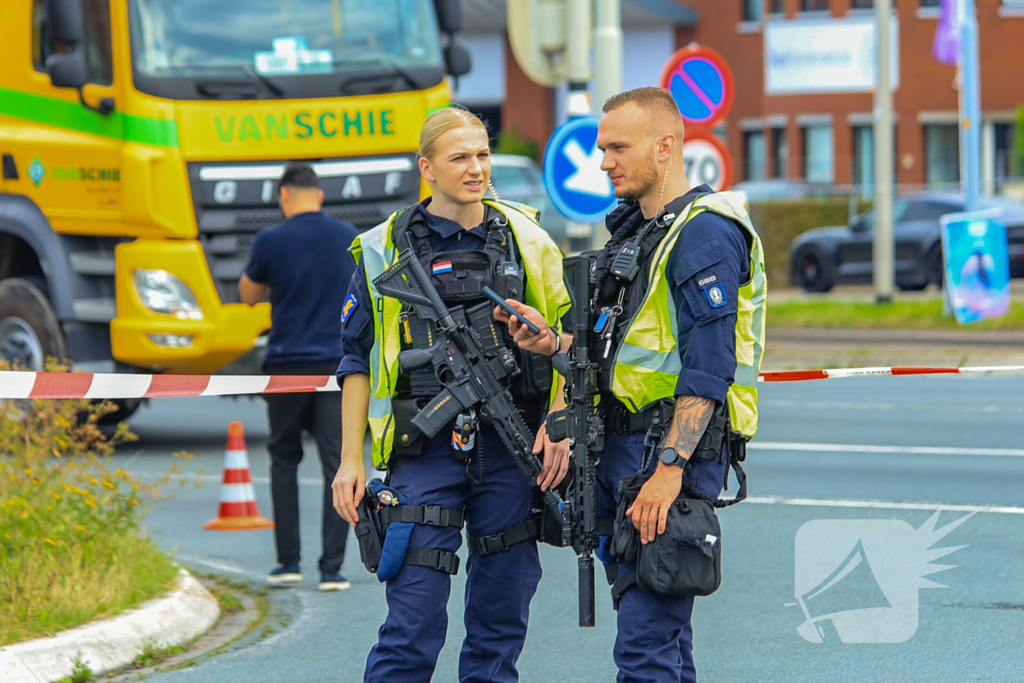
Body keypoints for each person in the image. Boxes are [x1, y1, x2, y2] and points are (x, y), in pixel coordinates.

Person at [496, 87, 767, 682]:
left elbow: (710, 367)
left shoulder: (702, 234)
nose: (603, 161)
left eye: (618, 147)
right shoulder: (642, 233)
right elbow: (629, 354)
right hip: (627, 458)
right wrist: (554, 345)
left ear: (665, 147)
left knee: (645, 651)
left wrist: (670, 471)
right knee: (664, 645)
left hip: (664, 459)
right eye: (602, 147)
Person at [330, 105, 571, 683]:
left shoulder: (528, 238)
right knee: (410, 629)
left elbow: (569, 341)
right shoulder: (382, 246)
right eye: (459, 157)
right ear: (427, 168)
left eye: (483, 155)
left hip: (513, 453)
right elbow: (355, 360)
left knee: (498, 631)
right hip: (424, 449)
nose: (476, 168)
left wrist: (558, 420)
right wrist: (349, 459)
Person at [239, 161, 359, 592]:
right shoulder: (347, 237)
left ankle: (288, 563)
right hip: (336, 366)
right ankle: (332, 568)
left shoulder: (272, 239)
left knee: (284, 460)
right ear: (319, 194)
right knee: (336, 462)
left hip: (287, 366)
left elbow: (248, 294)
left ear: (283, 196)